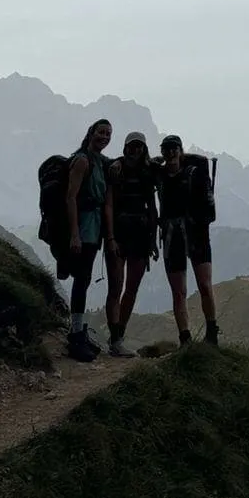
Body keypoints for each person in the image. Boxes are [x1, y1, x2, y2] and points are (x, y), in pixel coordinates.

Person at [156, 134, 219, 345]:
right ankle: (186, 337)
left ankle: (209, 333)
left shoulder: (191, 173)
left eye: (175, 148)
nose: (171, 152)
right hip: (188, 236)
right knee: (181, 291)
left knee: (203, 285)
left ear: (181, 151)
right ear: (163, 152)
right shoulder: (162, 173)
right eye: (167, 149)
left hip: (190, 235)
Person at [104, 130, 159, 357]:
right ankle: (116, 339)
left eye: (139, 146)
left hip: (140, 237)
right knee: (116, 288)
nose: (135, 149)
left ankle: (118, 336)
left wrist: (153, 240)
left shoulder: (148, 172)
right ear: (125, 147)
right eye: (132, 146)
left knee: (131, 289)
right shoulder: (115, 169)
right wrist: (110, 238)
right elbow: (107, 204)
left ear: (143, 148)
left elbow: (153, 209)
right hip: (118, 235)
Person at [63, 117, 112, 362]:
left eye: (108, 134)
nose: (104, 137)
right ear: (91, 133)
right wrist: (74, 234)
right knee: (81, 279)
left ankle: (79, 331)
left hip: (93, 229)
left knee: (84, 278)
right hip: (84, 228)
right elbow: (70, 197)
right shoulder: (82, 160)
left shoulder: (100, 161)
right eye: (101, 132)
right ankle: (75, 335)